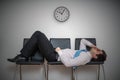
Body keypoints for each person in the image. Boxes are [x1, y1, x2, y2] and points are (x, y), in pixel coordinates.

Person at [8, 31, 107, 67]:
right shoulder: (85, 52)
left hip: (54, 56)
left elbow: (68, 64)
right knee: (38, 37)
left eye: (98, 50)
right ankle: (25, 55)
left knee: (38, 34)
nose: (97, 48)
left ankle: (23, 56)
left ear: (95, 56)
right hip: (55, 52)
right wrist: (93, 46)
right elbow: (82, 41)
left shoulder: (85, 58)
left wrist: (60, 52)